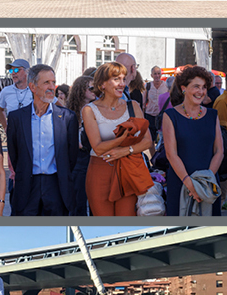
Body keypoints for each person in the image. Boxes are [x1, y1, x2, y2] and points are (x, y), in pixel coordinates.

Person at [6, 64, 78, 216]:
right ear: (32, 87)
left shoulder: (67, 117)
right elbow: (14, 153)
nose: (52, 87)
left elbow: (71, 156)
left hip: (56, 186)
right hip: (27, 186)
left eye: (53, 82)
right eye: (46, 83)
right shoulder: (16, 118)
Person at [82, 62, 152, 216]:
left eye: (123, 79)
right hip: (100, 171)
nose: (122, 84)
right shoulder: (89, 110)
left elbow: (147, 141)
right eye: (116, 79)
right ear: (102, 84)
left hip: (128, 170)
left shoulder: (133, 106)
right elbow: (98, 147)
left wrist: (126, 150)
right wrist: (124, 138)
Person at [163, 66, 224, 216]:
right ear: (184, 88)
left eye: (204, 87)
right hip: (180, 182)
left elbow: (219, 151)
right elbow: (171, 154)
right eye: (196, 86)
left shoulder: (212, 115)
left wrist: (205, 183)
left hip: (209, 182)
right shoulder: (170, 115)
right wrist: (191, 185)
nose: (201, 91)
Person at [66, 76, 97, 216]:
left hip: (93, 156)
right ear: (80, 90)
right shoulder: (69, 112)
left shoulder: (96, 109)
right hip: (76, 159)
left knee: (95, 200)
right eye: (91, 88)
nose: (94, 91)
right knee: (78, 199)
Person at [0, 58, 32, 134]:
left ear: (27, 71)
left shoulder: (35, 90)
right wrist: (5, 126)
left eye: (16, 70)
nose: (13, 73)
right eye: (11, 71)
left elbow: (55, 104)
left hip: (32, 132)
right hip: (14, 133)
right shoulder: (6, 91)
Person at [144, 66, 169, 142]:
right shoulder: (147, 86)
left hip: (162, 116)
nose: (157, 76)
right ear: (151, 75)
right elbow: (143, 102)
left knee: (163, 139)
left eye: (159, 73)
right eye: (155, 74)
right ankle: (153, 154)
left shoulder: (166, 86)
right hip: (150, 115)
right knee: (150, 139)